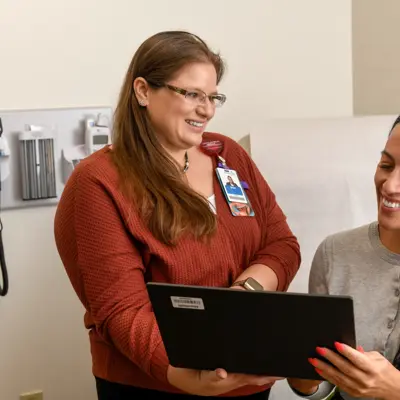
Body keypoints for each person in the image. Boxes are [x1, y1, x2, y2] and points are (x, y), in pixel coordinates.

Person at [53, 30, 301, 400]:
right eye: (192, 94)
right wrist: (182, 372)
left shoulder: (227, 155)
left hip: (242, 378)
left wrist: (243, 292)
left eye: (213, 96)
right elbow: (122, 310)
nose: (207, 109)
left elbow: (282, 244)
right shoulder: (99, 183)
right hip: (157, 384)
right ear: (142, 91)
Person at [288, 116, 400, 400]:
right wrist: (306, 381)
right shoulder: (335, 253)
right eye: (386, 165)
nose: (389, 186)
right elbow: (323, 388)